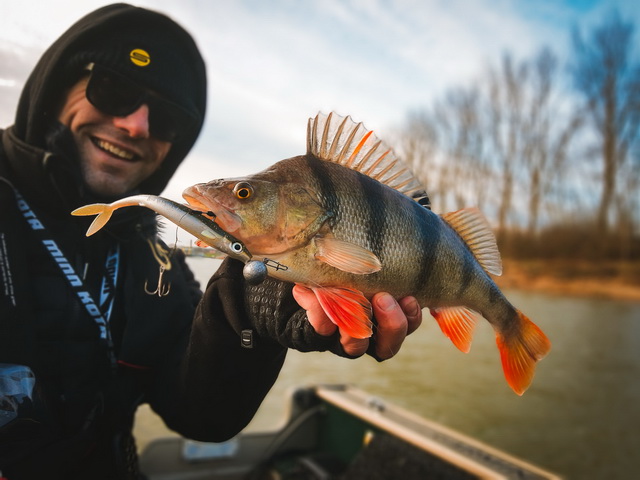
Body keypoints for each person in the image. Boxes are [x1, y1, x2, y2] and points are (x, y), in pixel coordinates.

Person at [0, 4, 422, 479]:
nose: (137, 125)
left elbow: (198, 413)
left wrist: (247, 310)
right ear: (57, 87)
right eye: (114, 90)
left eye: (166, 118)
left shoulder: (151, 256)